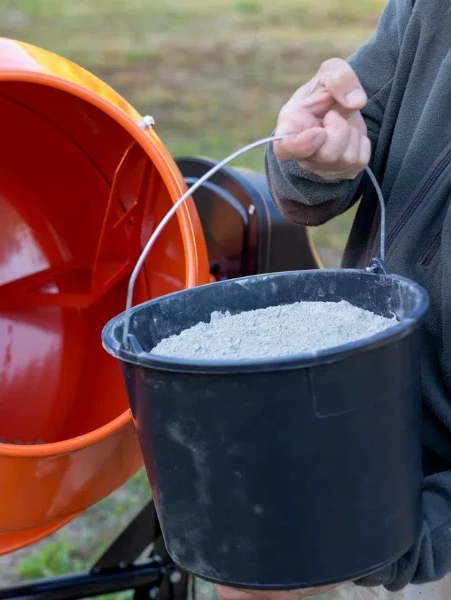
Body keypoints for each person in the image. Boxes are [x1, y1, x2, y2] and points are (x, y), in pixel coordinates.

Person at [214, 1, 451, 599]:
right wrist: (314, 152)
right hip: (368, 409)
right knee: (248, 573)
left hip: (432, 524)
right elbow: (339, 136)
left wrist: (410, 538)